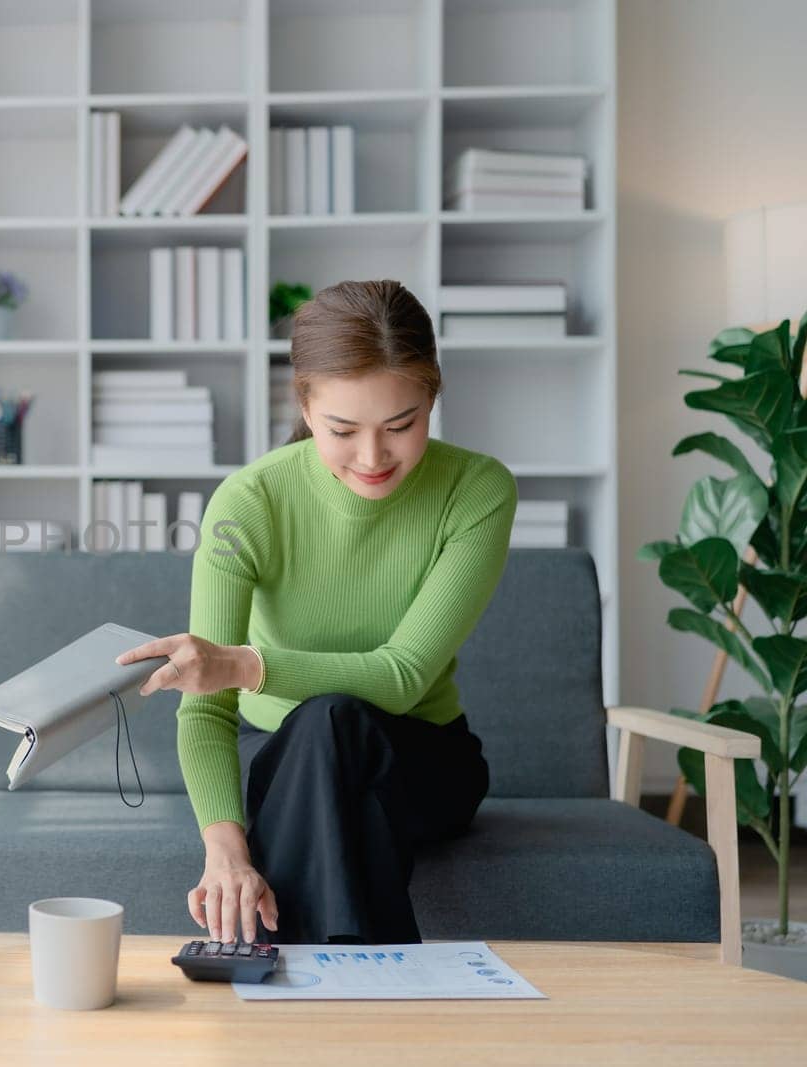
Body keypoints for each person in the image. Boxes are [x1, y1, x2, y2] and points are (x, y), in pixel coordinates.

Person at [116, 279, 517, 947]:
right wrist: (226, 852)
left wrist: (241, 664)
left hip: (425, 760)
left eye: (402, 425)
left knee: (335, 717)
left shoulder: (477, 490)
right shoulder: (251, 501)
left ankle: (285, 990)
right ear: (304, 402)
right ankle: (375, 997)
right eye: (342, 429)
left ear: (433, 399)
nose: (373, 456)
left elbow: (403, 676)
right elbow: (207, 712)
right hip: (284, 761)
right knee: (321, 742)